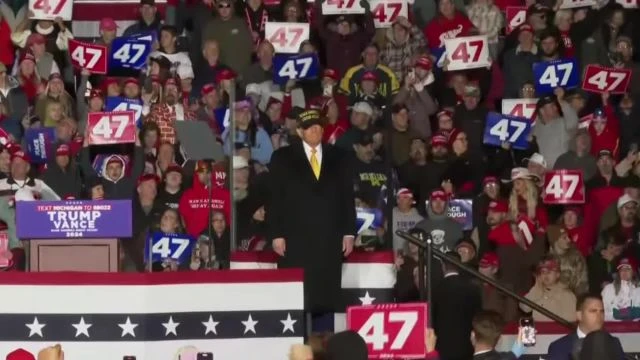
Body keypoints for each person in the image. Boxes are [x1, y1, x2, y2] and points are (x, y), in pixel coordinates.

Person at [266, 109, 356, 322]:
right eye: (309, 126)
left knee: (327, 293)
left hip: (329, 236)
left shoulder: (340, 156)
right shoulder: (282, 157)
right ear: (299, 131)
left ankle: (324, 341)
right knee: (298, 295)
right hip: (296, 237)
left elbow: (347, 197)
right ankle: (299, 341)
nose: (315, 129)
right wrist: (276, 234)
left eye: (318, 125)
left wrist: (349, 232)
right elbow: (275, 198)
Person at [432, 251, 481, 360]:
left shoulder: (435, 290)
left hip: (442, 348)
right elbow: (478, 317)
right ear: (460, 266)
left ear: (443, 266)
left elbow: (431, 320)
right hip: (467, 348)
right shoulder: (472, 289)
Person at [546, 293, 624, 360]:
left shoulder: (613, 343)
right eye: (593, 311)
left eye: (602, 311)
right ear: (579, 315)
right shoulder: (559, 347)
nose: (599, 315)